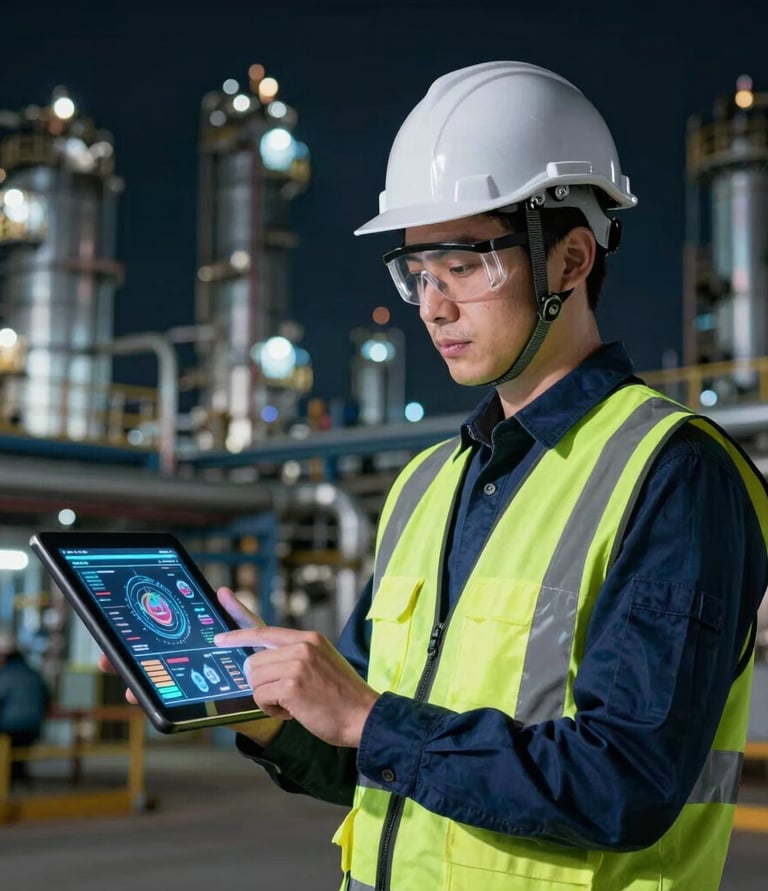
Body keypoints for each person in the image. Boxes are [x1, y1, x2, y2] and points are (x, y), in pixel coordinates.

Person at [111, 61, 767, 890]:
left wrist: (367, 717)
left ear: (569, 260)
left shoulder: (674, 474)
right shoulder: (429, 484)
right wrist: (269, 713)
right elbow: (368, 759)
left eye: (463, 264)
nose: (432, 305)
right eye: (418, 271)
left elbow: (624, 782)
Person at [0, 630, 50, 783]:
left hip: (9, 726)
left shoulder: (5, 675)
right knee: (18, 758)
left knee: (8, 758)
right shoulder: (32, 673)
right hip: (33, 727)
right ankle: (17, 779)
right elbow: (46, 697)